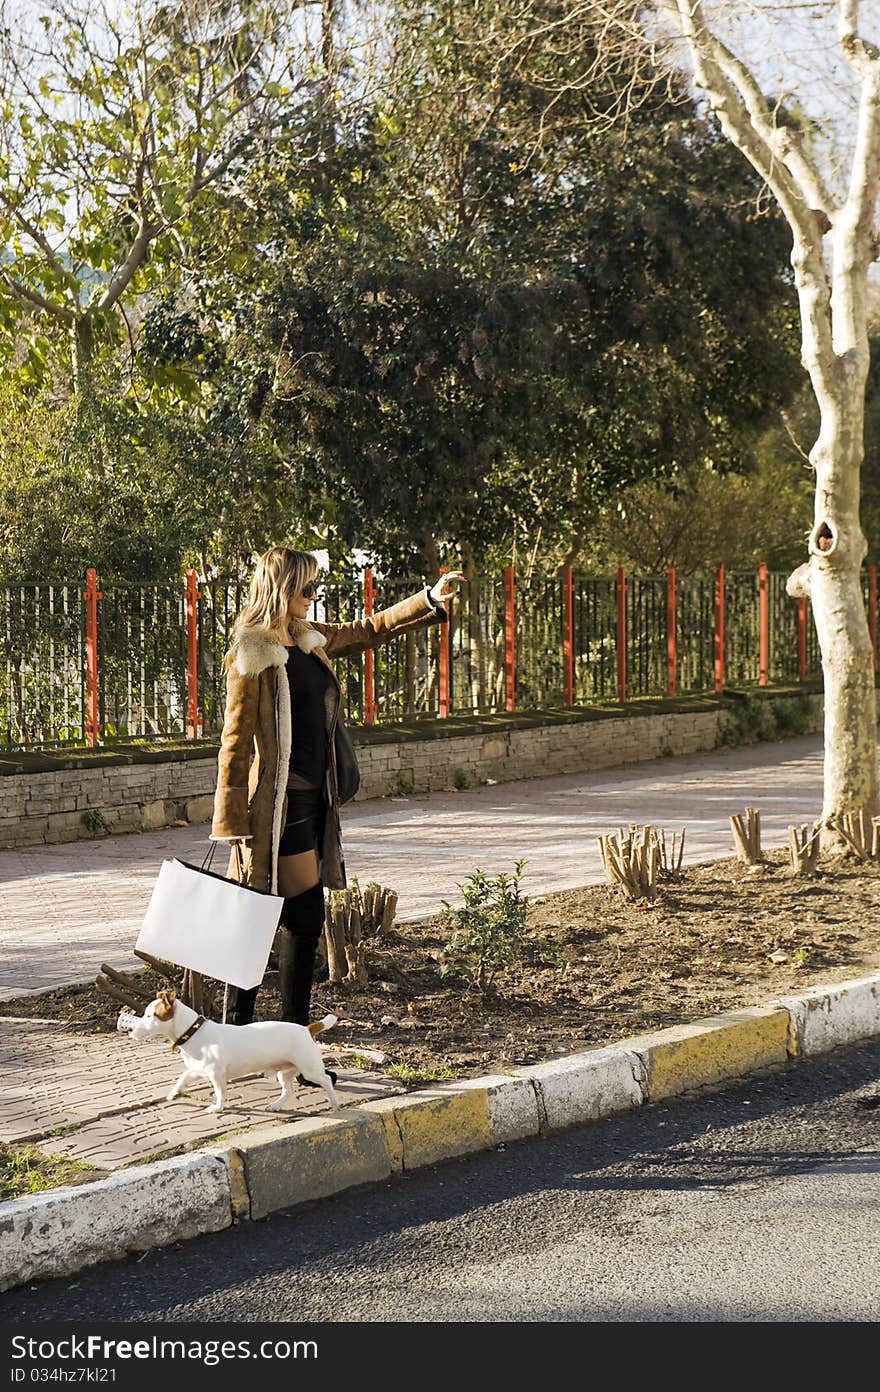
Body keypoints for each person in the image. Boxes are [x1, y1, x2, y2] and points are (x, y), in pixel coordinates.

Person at [210, 546, 462, 1032]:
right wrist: (231, 822)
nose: (313, 596)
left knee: (271, 921)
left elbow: (369, 630)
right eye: (306, 588)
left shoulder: (307, 638)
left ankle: (259, 1035)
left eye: (315, 588)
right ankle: (273, 1036)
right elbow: (234, 742)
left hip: (314, 798)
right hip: (277, 807)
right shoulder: (254, 652)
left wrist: (428, 598)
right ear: (282, 588)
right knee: (295, 920)